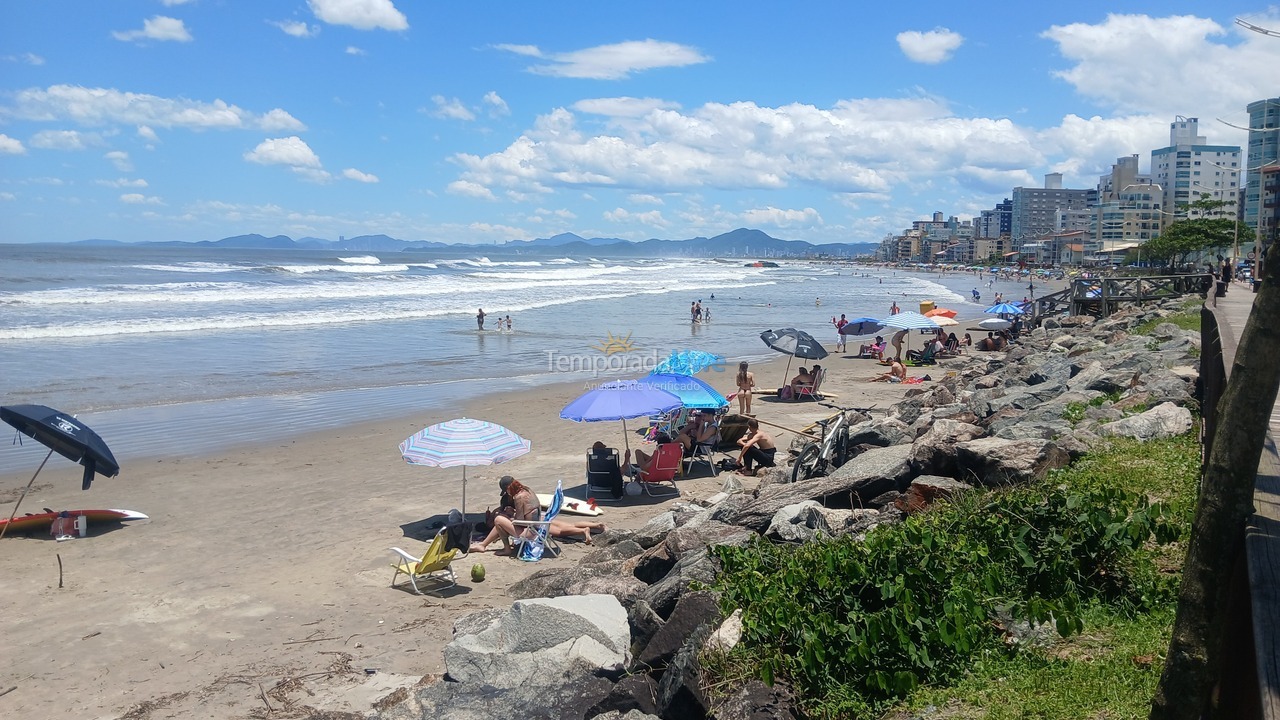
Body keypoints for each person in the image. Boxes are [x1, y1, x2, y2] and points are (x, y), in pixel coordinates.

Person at [470, 476, 539, 555]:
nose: (508, 493)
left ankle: (506, 549)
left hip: (529, 532)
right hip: (538, 528)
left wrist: (509, 516)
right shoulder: (527, 490)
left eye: (506, 491)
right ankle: (482, 545)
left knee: (498, 519)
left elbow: (519, 521)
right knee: (501, 522)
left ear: (509, 488)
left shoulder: (518, 497)